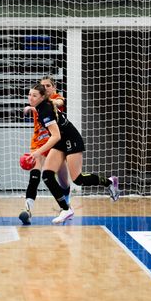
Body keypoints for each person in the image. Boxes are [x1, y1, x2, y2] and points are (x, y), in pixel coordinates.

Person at [27, 83, 120, 225]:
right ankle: (66, 209)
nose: (30, 98)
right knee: (47, 175)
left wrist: (37, 152)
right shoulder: (41, 107)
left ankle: (109, 182)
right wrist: (31, 108)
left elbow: (56, 136)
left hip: (71, 140)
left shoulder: (45, 110)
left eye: (34, 95)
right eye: (29, 95)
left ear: (42, 97)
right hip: (61, 141)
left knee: (78, 179)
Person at [20, 76, 72, 225]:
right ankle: (27, 211)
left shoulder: (55, 99)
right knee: (35, 176)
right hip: (38, 143)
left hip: (55, 144)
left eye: (48, 85)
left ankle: (66, 205)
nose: (45, 88)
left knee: (63, 181)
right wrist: (31, 107)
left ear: (53, 88)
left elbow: (60, 102)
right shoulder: (37, 100)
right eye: (43, 86)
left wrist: (40, 105)